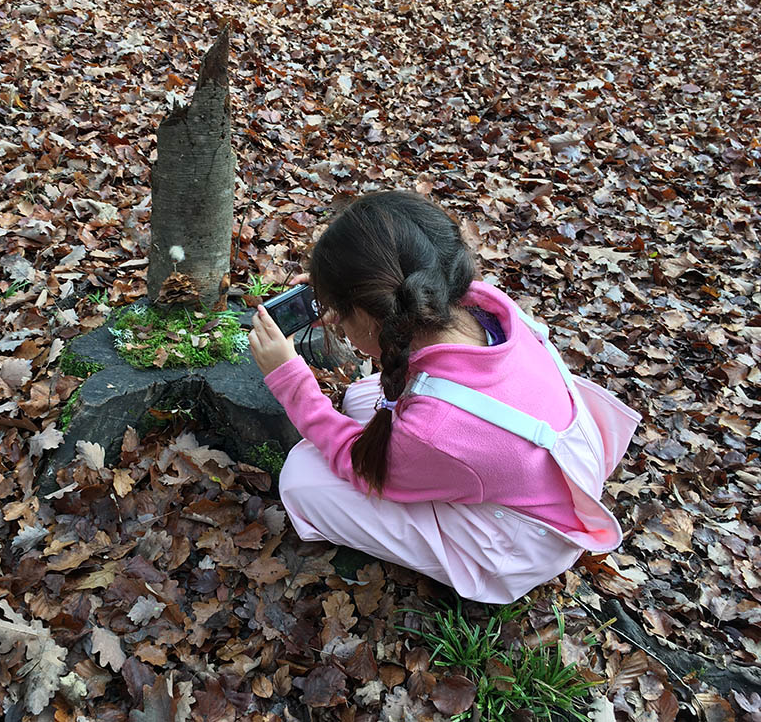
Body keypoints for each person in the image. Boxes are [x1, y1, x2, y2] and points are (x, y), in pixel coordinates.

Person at [248, 191, 640, 603]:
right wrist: (348, 296)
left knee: (302, 478)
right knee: (363, 400)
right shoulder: (480, 304)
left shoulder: (435, 429)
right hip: (542, 470)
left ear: (371, 309)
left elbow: (362, 465)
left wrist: (290, 379)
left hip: (523, 544)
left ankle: (471, 557)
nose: (342, 327)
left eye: (345, 316)